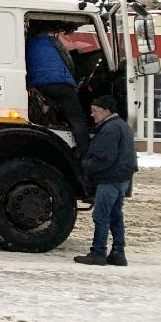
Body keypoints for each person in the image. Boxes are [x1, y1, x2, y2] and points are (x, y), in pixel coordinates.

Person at [73, 94, 138, 267]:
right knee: (115, 215)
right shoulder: (121, 126)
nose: (92, 115)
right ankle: (118, 253)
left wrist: (84, 164)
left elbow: (104, 158)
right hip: (121, 178)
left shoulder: (110, 129)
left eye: (95, 111)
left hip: (110, 178)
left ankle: (98, 253)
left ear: (106, 111)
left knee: (101, 215)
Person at [26, 22, 90, 151]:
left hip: (39, 85)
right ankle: (84, 149)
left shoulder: (27, 44)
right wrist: (72, 78)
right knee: (76, 118)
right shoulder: (52, 41)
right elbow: (68, 61)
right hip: (61, 83)